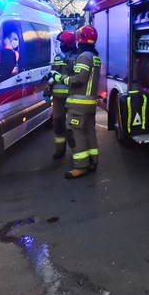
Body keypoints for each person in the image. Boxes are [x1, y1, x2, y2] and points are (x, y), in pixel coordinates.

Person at [53, 25, 101, 180]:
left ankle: (80, 167)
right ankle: (92, 161)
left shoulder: (84, 56)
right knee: (89, 131)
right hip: (89, 104)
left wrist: (60, 78)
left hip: (78, 104)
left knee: (74, 132)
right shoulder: (94, 55)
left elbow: (79, 79)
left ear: (81, 39)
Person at [47, 30, 77, 159]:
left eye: (62, 42)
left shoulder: (78, 57)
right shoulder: (58, 57)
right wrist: (48, 87)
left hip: (72, 97)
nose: (60, 45)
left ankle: (76, 151)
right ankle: (60, 150)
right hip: (58, 99)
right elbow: (53, 74)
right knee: (58, 123)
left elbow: (76, 77)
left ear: (69, 43)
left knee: (72, 127)